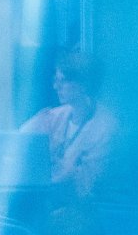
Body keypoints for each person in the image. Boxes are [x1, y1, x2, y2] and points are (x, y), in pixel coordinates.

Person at [21, 50, 121, 201]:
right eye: (56, 80)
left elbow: (86, 187)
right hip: (49, 198)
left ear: (84, 84)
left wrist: (59, 169)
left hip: (82, 208)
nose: (56, 86)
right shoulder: (56, 116)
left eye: (63, 81)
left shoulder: (106, 128)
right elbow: (19, 138)